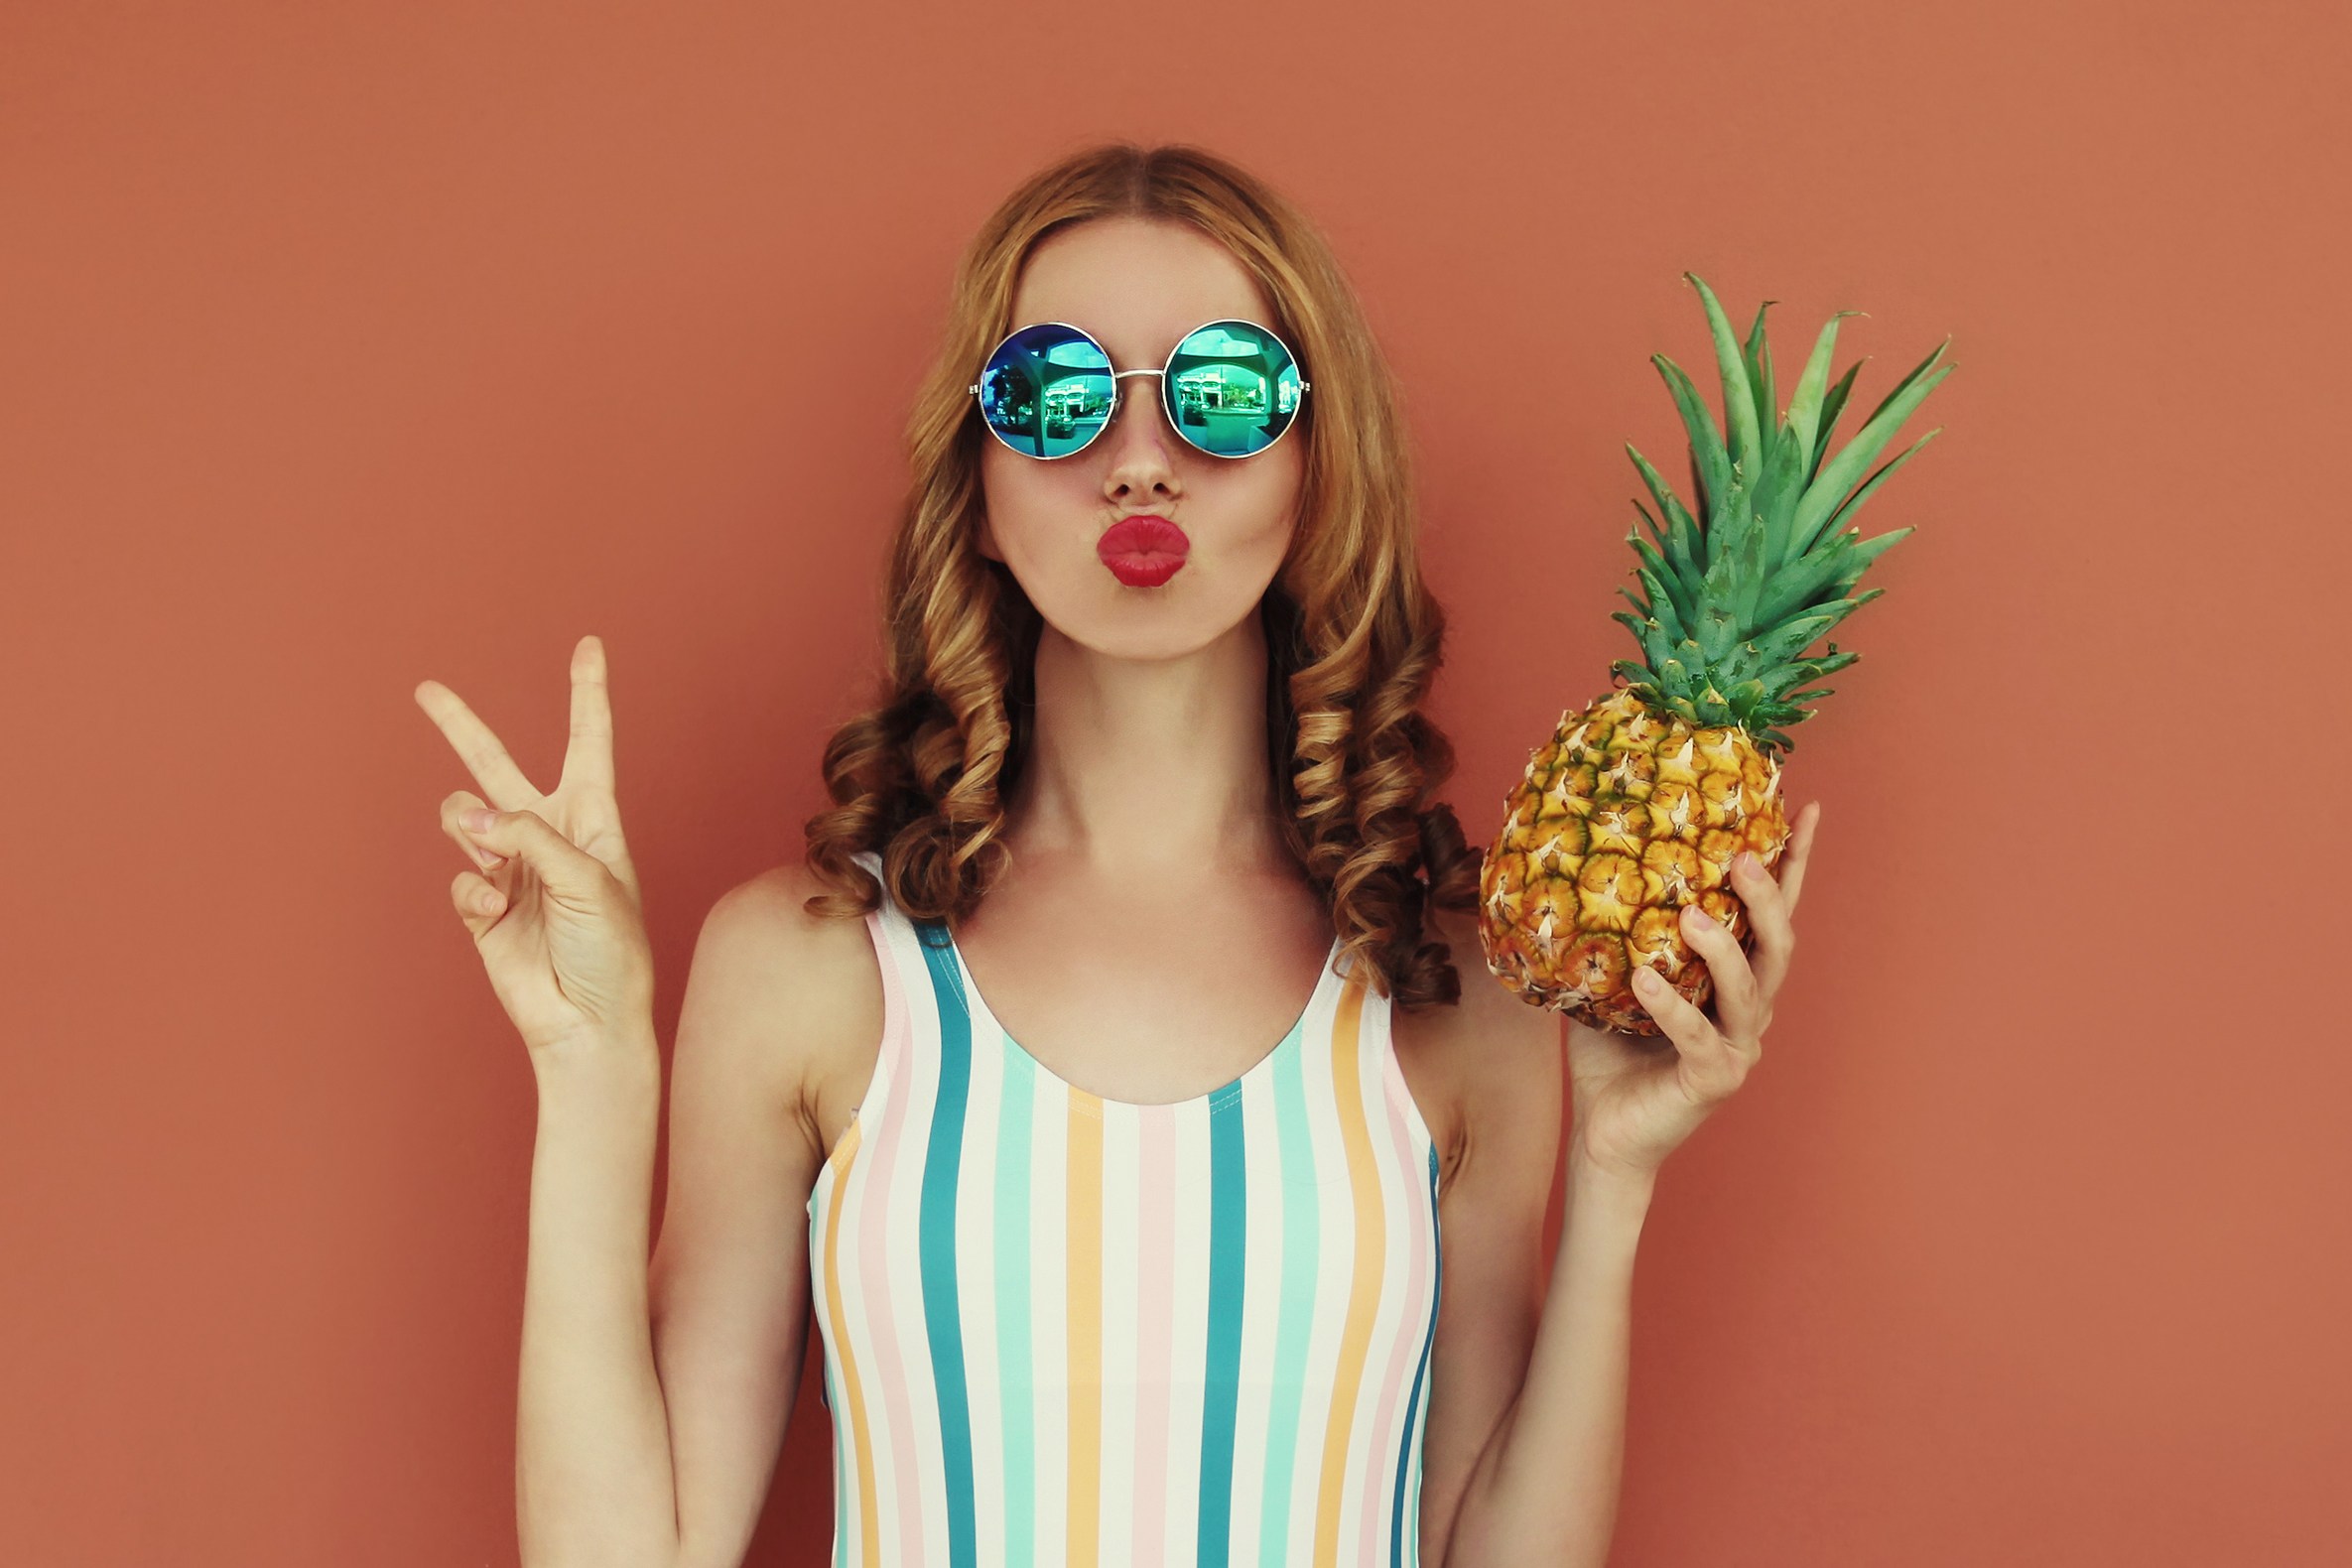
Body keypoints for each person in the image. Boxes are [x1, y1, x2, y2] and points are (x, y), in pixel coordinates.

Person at [413, 141, 1817, 1568]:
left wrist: (1621, 1174)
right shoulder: (807, 966)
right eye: (1052, 395)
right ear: (975, 464)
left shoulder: (1455, 990)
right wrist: (590, 1073)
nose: (1138, 461)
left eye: (1219, 395)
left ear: (1315, 456)